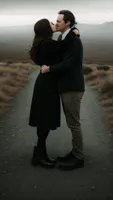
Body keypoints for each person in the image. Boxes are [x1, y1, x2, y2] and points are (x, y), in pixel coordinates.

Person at [28, 18, 79, 168]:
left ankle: (39, 152)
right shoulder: (48, 44)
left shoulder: (43, 43)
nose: (54, 24)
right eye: (51, 23)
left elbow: (61, 46)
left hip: (45, 84)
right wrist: (74, 32)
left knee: (44, 119)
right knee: (45, 119)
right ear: (46, 28)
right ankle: (39, 155)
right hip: (47, 86)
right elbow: (63, 46)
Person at [41, 10, 85, 170]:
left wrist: (49, 69)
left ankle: (78, 157)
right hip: (66, 86)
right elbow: (58, 52)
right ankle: (75, 153)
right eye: (56, 21)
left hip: (72, 87)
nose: (56, 23)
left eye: (59, 21)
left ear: (67, 22)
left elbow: (70, 63)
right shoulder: (64, 37)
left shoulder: (74, 41)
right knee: (71, 122)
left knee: (74, 124)